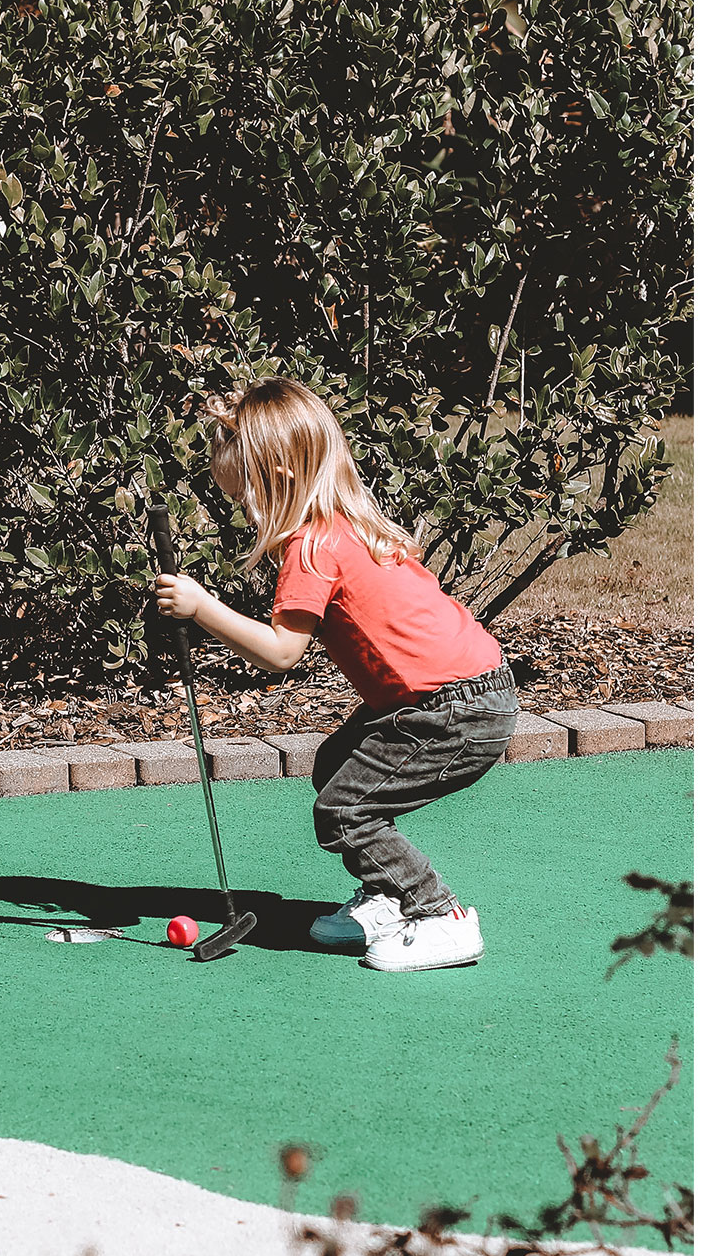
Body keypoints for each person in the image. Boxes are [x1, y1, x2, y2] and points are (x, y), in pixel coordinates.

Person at [152, 379, 515, 972]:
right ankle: (387, 895)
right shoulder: (345, 525)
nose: (244, 511)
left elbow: (280, 653)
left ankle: (438, 914)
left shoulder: (312, 547)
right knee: (336, 765)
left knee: (343, 810)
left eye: (246, 494)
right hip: (463, 693)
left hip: (453, 711)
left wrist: (201, 607)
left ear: (280, 476)